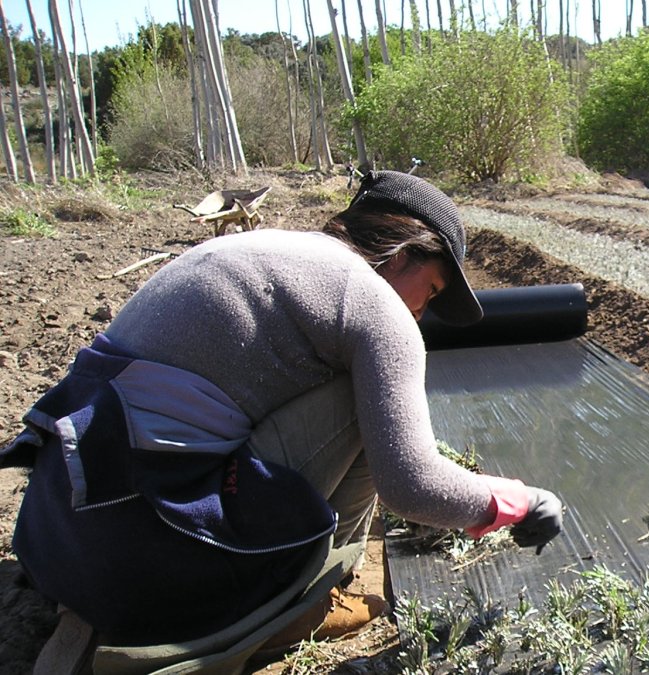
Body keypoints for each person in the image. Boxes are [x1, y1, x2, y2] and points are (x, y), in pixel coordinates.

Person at [2, 171, 563, 659]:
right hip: (145, 572)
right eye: (431, 290)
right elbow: (411, 486)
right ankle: (312, 595)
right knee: (362, 400)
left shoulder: (263, 250)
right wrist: (517, 500)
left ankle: (303, 569)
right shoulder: (373, 303)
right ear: (403, 252)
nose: (420, 313)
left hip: (59, 537)